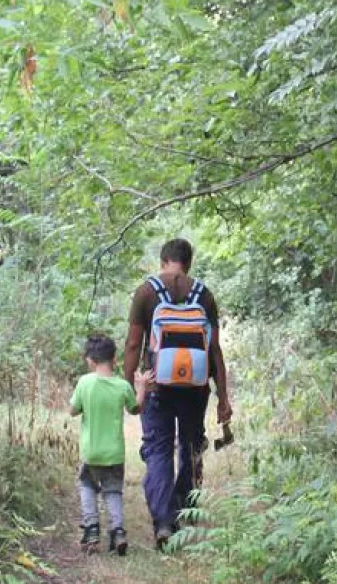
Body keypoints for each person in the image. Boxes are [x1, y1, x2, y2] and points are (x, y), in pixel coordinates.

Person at [124, 238, 232, 550]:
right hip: (195, 387)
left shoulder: (146, 292)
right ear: (189, 263)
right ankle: (189, 510)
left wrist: (130, 385)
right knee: (190, 444)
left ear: (163, 260)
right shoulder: (203, 294)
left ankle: (164, 523)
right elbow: (214, 350)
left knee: (158, 449)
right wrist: (223, 397)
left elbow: (133, 344)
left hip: (157, 383)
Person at [69, 333, 150, 556]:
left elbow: (72, 410)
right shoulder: (123, 386)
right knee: (113, 492)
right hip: (114, 454)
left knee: (87, 487)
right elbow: (136, 409)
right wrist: (141, 386)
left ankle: (92, 530)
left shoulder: (84, 383)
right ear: (114, 359)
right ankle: (118, 532)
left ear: (90, 361)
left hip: (91, 452)